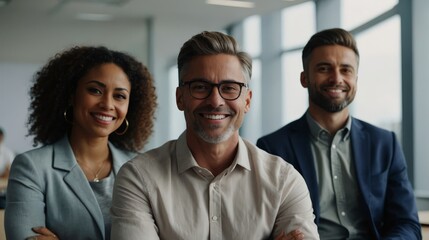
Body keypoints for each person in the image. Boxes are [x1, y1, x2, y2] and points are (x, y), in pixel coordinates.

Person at [110, 31, 319, 240]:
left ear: (247, 101)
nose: (215, 101)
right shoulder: (138, 178)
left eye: (229, 88)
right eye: (200, 87)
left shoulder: (284, 181)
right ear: (180, 98)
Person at [257, 28, 422, 239]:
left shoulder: (384, 144)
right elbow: (263, 226)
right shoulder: (272, 148)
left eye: (346, 70)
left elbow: (406, 223)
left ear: (356, 79)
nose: (337, 78)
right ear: (304, 78)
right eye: (324, 68)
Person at [5, 46, 157, 239]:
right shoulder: (32, 168)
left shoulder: (142, 168)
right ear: (71, 95)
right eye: (95, 90)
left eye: (119, 96)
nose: (107, 105)